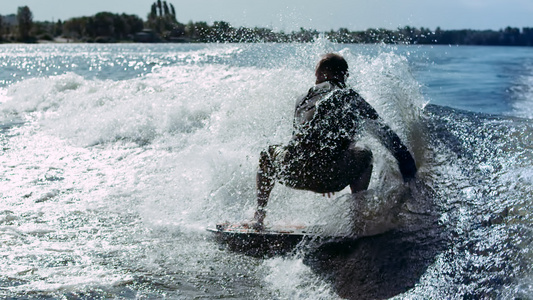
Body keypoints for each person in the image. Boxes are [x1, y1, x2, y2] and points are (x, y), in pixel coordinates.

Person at [252, 53, 417, 229]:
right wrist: (411, 173)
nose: (316, 82)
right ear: (343, 75)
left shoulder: (303, 99)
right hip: (331, 176)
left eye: (317, 76)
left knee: (267, 154)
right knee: (365, 153)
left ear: (325, 74)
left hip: (294, 174)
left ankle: (259, 216)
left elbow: (301, 141)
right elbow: (387, 136)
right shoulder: (349, 96)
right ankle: (357, 222)